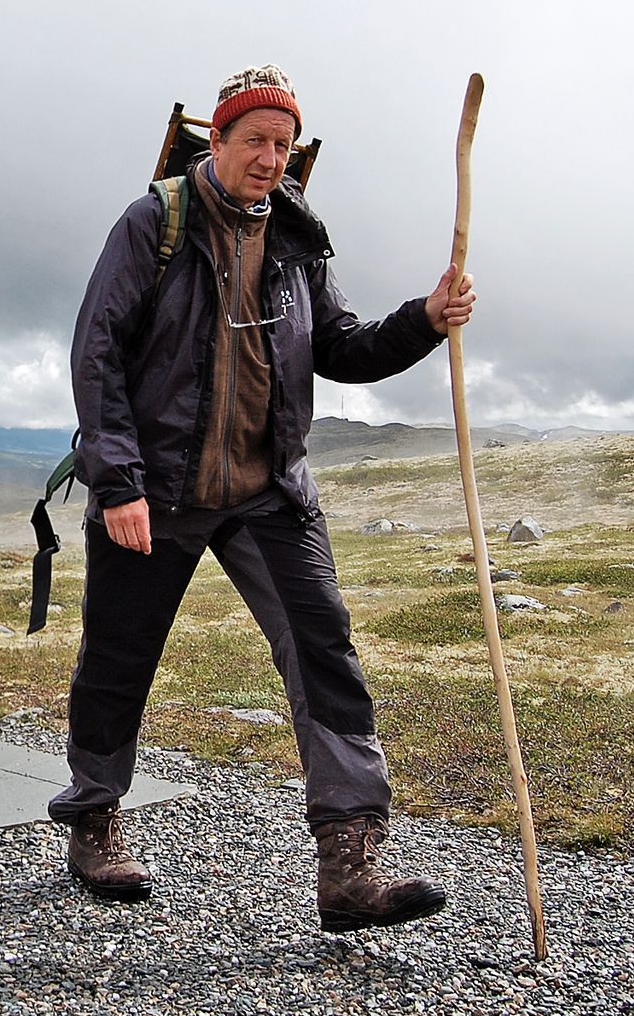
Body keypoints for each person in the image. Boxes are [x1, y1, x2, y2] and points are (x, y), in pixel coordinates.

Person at [53, 64, 475, 930]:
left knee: (324, 653)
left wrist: (426, 318)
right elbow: (96, 352)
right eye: (256, 141)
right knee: (118, 659)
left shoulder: (296, 241)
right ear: (221, 136)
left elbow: (343, 348)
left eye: (284, 145)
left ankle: (349, 863)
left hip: (268, 490)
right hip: (156, 494)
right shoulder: (154, 225)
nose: (271, 158)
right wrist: (120, 482)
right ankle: (94, 820)